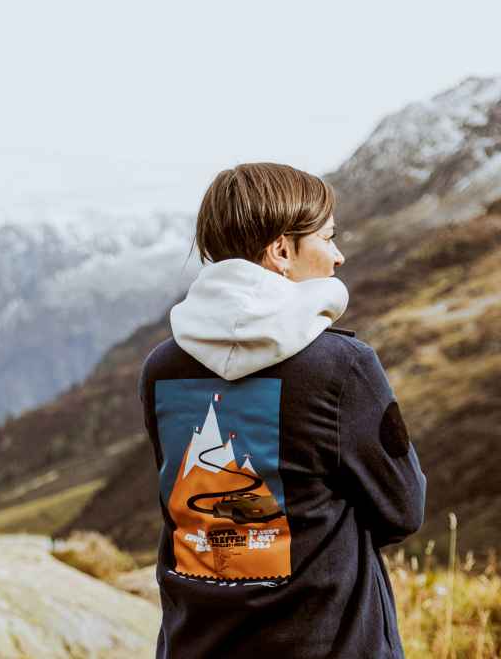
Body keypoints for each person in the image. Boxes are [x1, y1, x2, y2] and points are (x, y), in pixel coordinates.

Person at [138, 162, 427, 658]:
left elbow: (183, 507)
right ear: (280, 251)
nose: (338, 257)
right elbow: (403, 510)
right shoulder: (342, 368)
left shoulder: (162, 368)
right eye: (328, 238)